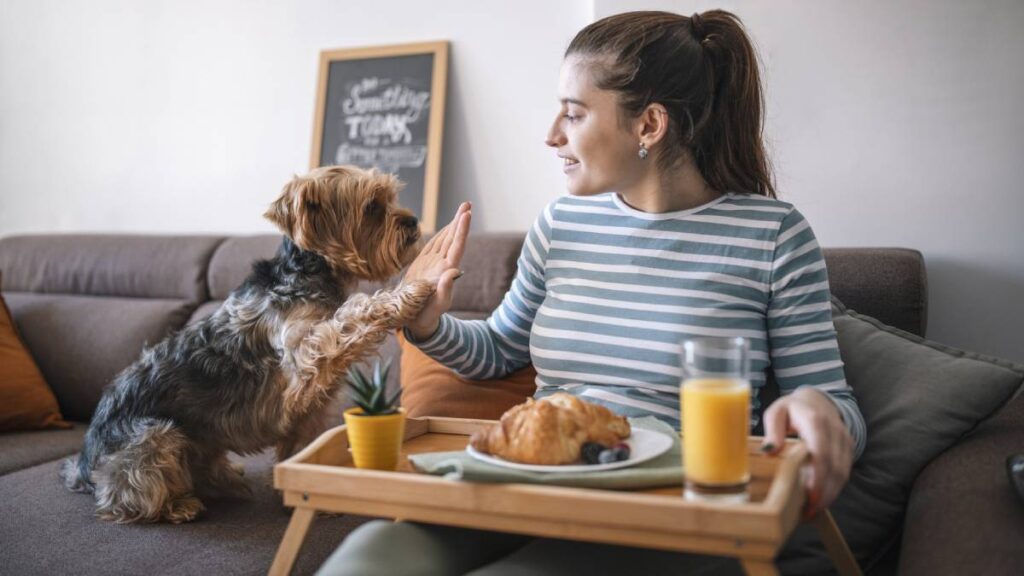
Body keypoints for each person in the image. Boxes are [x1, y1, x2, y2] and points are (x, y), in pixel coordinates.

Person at [318, 9, 865, 575]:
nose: (552, 134)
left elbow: (839, 409)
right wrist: (429, 324)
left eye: (573, 115)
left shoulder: (773, 235)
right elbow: (500, 349)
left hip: (662, 509)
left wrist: (816, 405)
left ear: (649, 125)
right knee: (368, 555)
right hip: (528, 483)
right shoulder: (560, 224)